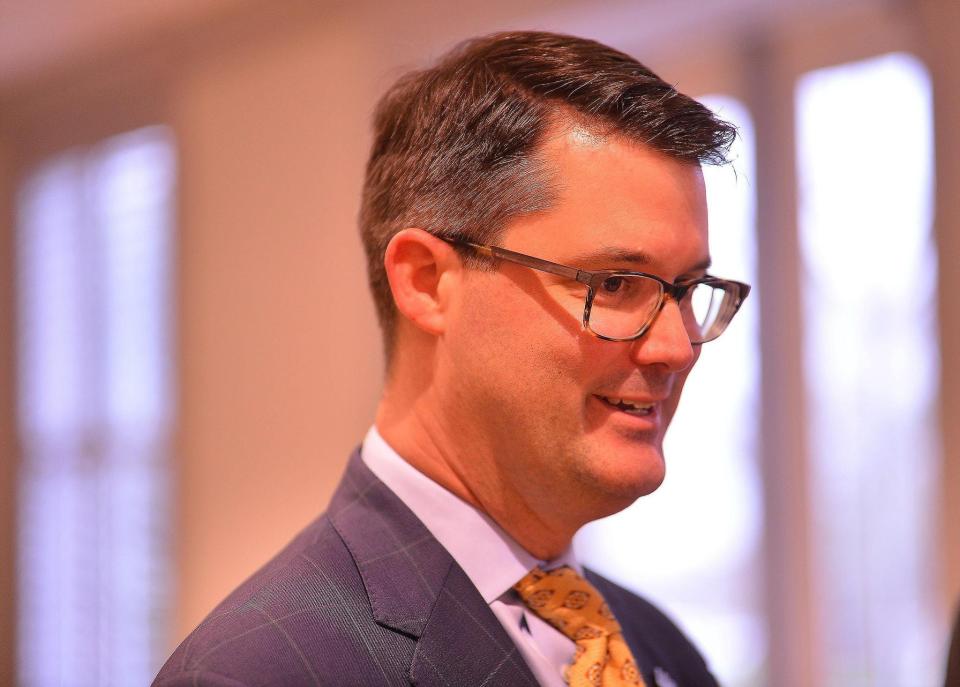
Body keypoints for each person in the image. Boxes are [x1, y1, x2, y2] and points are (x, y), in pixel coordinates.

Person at [154, 30, 749, 687]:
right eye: (611, 283)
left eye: (687, 289)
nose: (676, 346)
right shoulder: (259, 672)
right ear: (427, 281)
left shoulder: (659, 649)